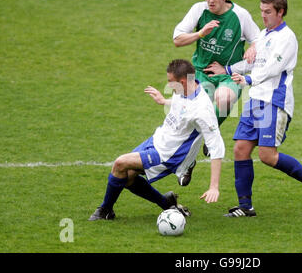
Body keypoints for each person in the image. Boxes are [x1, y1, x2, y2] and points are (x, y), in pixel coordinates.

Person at [207, 0, 302, 217]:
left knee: (267, 155)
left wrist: (249, 79)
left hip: (273, 101)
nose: (263, 16)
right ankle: (245, 207)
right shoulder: (263, 35)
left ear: (280, 12)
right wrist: (228, 70)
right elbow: (252, 62)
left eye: (268, 12)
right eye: (261, 11)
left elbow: (272, 67)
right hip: (255, 100)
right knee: (241, 149)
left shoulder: (287, 38)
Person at [89, 59, 225, 221]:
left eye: (170, 81)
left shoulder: (202, 110)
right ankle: (166, 203)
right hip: (157, 140)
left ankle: (105, 210)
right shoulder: (186, 89)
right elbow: (182, 105)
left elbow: (216, 146)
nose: (168, 85)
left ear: (182, 81)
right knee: (127, 177)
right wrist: (164, 101)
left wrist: (214, 187)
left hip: (167, 154)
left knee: (120, 164)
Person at [173, 0, 260, 156]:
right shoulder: (199, 10)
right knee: (191, 117)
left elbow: (261, 40)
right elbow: (177, 39)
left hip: (229, 75)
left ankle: (209, 136)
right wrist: (200, 33)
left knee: (224, 98)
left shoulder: (240, 15)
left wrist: (254, 46)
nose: (211, 0)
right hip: (200, 72)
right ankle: (190, 158)